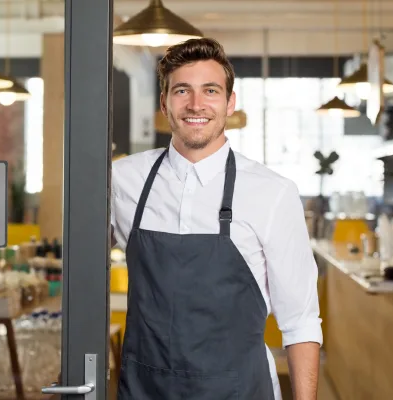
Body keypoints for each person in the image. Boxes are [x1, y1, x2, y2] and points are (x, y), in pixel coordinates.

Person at [111, 38, 322, 400]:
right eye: (182, 91)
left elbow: (300, 322)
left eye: (210, 90)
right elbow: (83, 274)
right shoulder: (122, 180)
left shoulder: (273, 192)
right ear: (164, 103)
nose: (196, 104)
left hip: (239, 390)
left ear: (229, 102)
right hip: (145, 390)